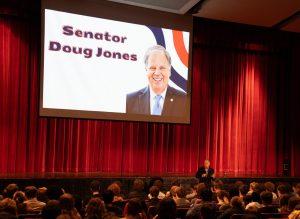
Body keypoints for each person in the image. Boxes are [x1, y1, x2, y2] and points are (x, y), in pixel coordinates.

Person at [126, 45, 187, 117]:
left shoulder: (184, 100)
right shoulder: (131, 100)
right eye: (152, 68)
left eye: (162, 68)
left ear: (169, 70)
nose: (157, 73)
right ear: (146, 70)